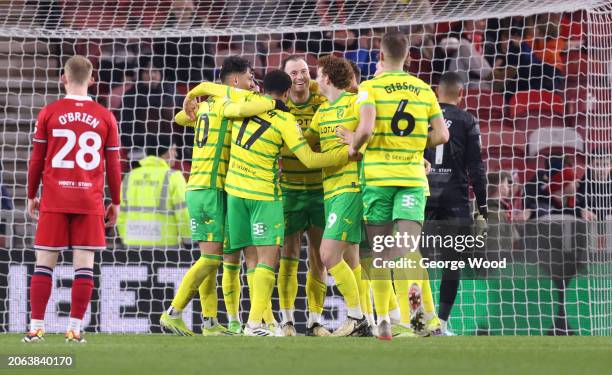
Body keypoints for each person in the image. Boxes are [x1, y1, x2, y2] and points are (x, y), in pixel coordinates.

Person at [224, 70, 358, 336]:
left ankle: (251, 322)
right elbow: (309, 158)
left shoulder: (242, 107)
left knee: (247, 260)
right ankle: (261, 323)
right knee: (271, 259)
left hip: (234, 191)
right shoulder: (285, 118)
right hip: (267, 195)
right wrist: (347, 153)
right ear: (286, 92)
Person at [337, 31, 449, 340]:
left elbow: (366, 127)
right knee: (407, 250)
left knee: (380, 252)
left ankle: (384, 320)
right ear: (409, 57)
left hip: (377, 179)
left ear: (381, 57)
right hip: (411, 179)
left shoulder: (369, 88)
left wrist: (354, 147)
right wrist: (413, 144)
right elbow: (441, 136)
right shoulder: (424, 89)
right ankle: (415, 318)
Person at [161, 57, 278, 336]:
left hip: (199, 187)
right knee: (213, 259)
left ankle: (210, 321)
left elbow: (179, 118)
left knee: (211, 258)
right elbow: (260, 103)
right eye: (250, 78)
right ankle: (173, 313)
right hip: (213, 188)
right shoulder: (230, 105)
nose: (253, 84)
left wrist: (191, 104)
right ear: (235, 81)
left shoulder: (205, 107)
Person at [23, 55, 122, 343]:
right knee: (84, 267)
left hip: (54, 198)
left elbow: (36, 160)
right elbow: (113, 165)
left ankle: (36, 328)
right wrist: (115, 201)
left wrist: (32, 194)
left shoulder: (49, 113)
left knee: (44, 265)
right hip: (89, 201)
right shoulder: (105, 116)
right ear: (92, 80)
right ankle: (74, 330)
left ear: (63, 78)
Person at [303, 55, 370, 336]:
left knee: (327, 255)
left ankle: (357, 317)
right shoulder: (322, 113)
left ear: (327, 78)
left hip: (351, 187)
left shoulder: (356, 103)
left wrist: (355, 139)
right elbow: (304, 144)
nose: (315, 79)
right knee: (352, 262)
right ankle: (372, 319)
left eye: (317, 75)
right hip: (330, 190)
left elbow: (374, 135)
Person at [423, 72, 488, 336]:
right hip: (455, 199)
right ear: (461, 94)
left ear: (436, 92)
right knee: (452, 263)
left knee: (417, 260)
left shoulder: (423, 115)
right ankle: (443, 323)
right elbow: (476, 167)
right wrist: (482, 208)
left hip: (423, 195)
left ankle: (419, 319)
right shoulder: (466, 120)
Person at [278, 55, 330, 336]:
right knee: (288, 258)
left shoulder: (323, 102)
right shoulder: (279, 106)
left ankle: (315, 320)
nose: (300, 77)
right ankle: (286, 320)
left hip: (321, 192)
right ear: (286, 77)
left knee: (319, 258)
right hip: (290, 192)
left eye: (304, 71)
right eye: (294, 72)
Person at [116, 134, 191, 248]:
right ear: (165, 151)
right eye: (174, 150)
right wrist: (188, 241)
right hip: (166, 245)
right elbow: (184, 213)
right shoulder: (174, 177)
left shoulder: (130, 176)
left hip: (132, 244)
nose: (175, 154)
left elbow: (120, 214)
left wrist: (125, 238)